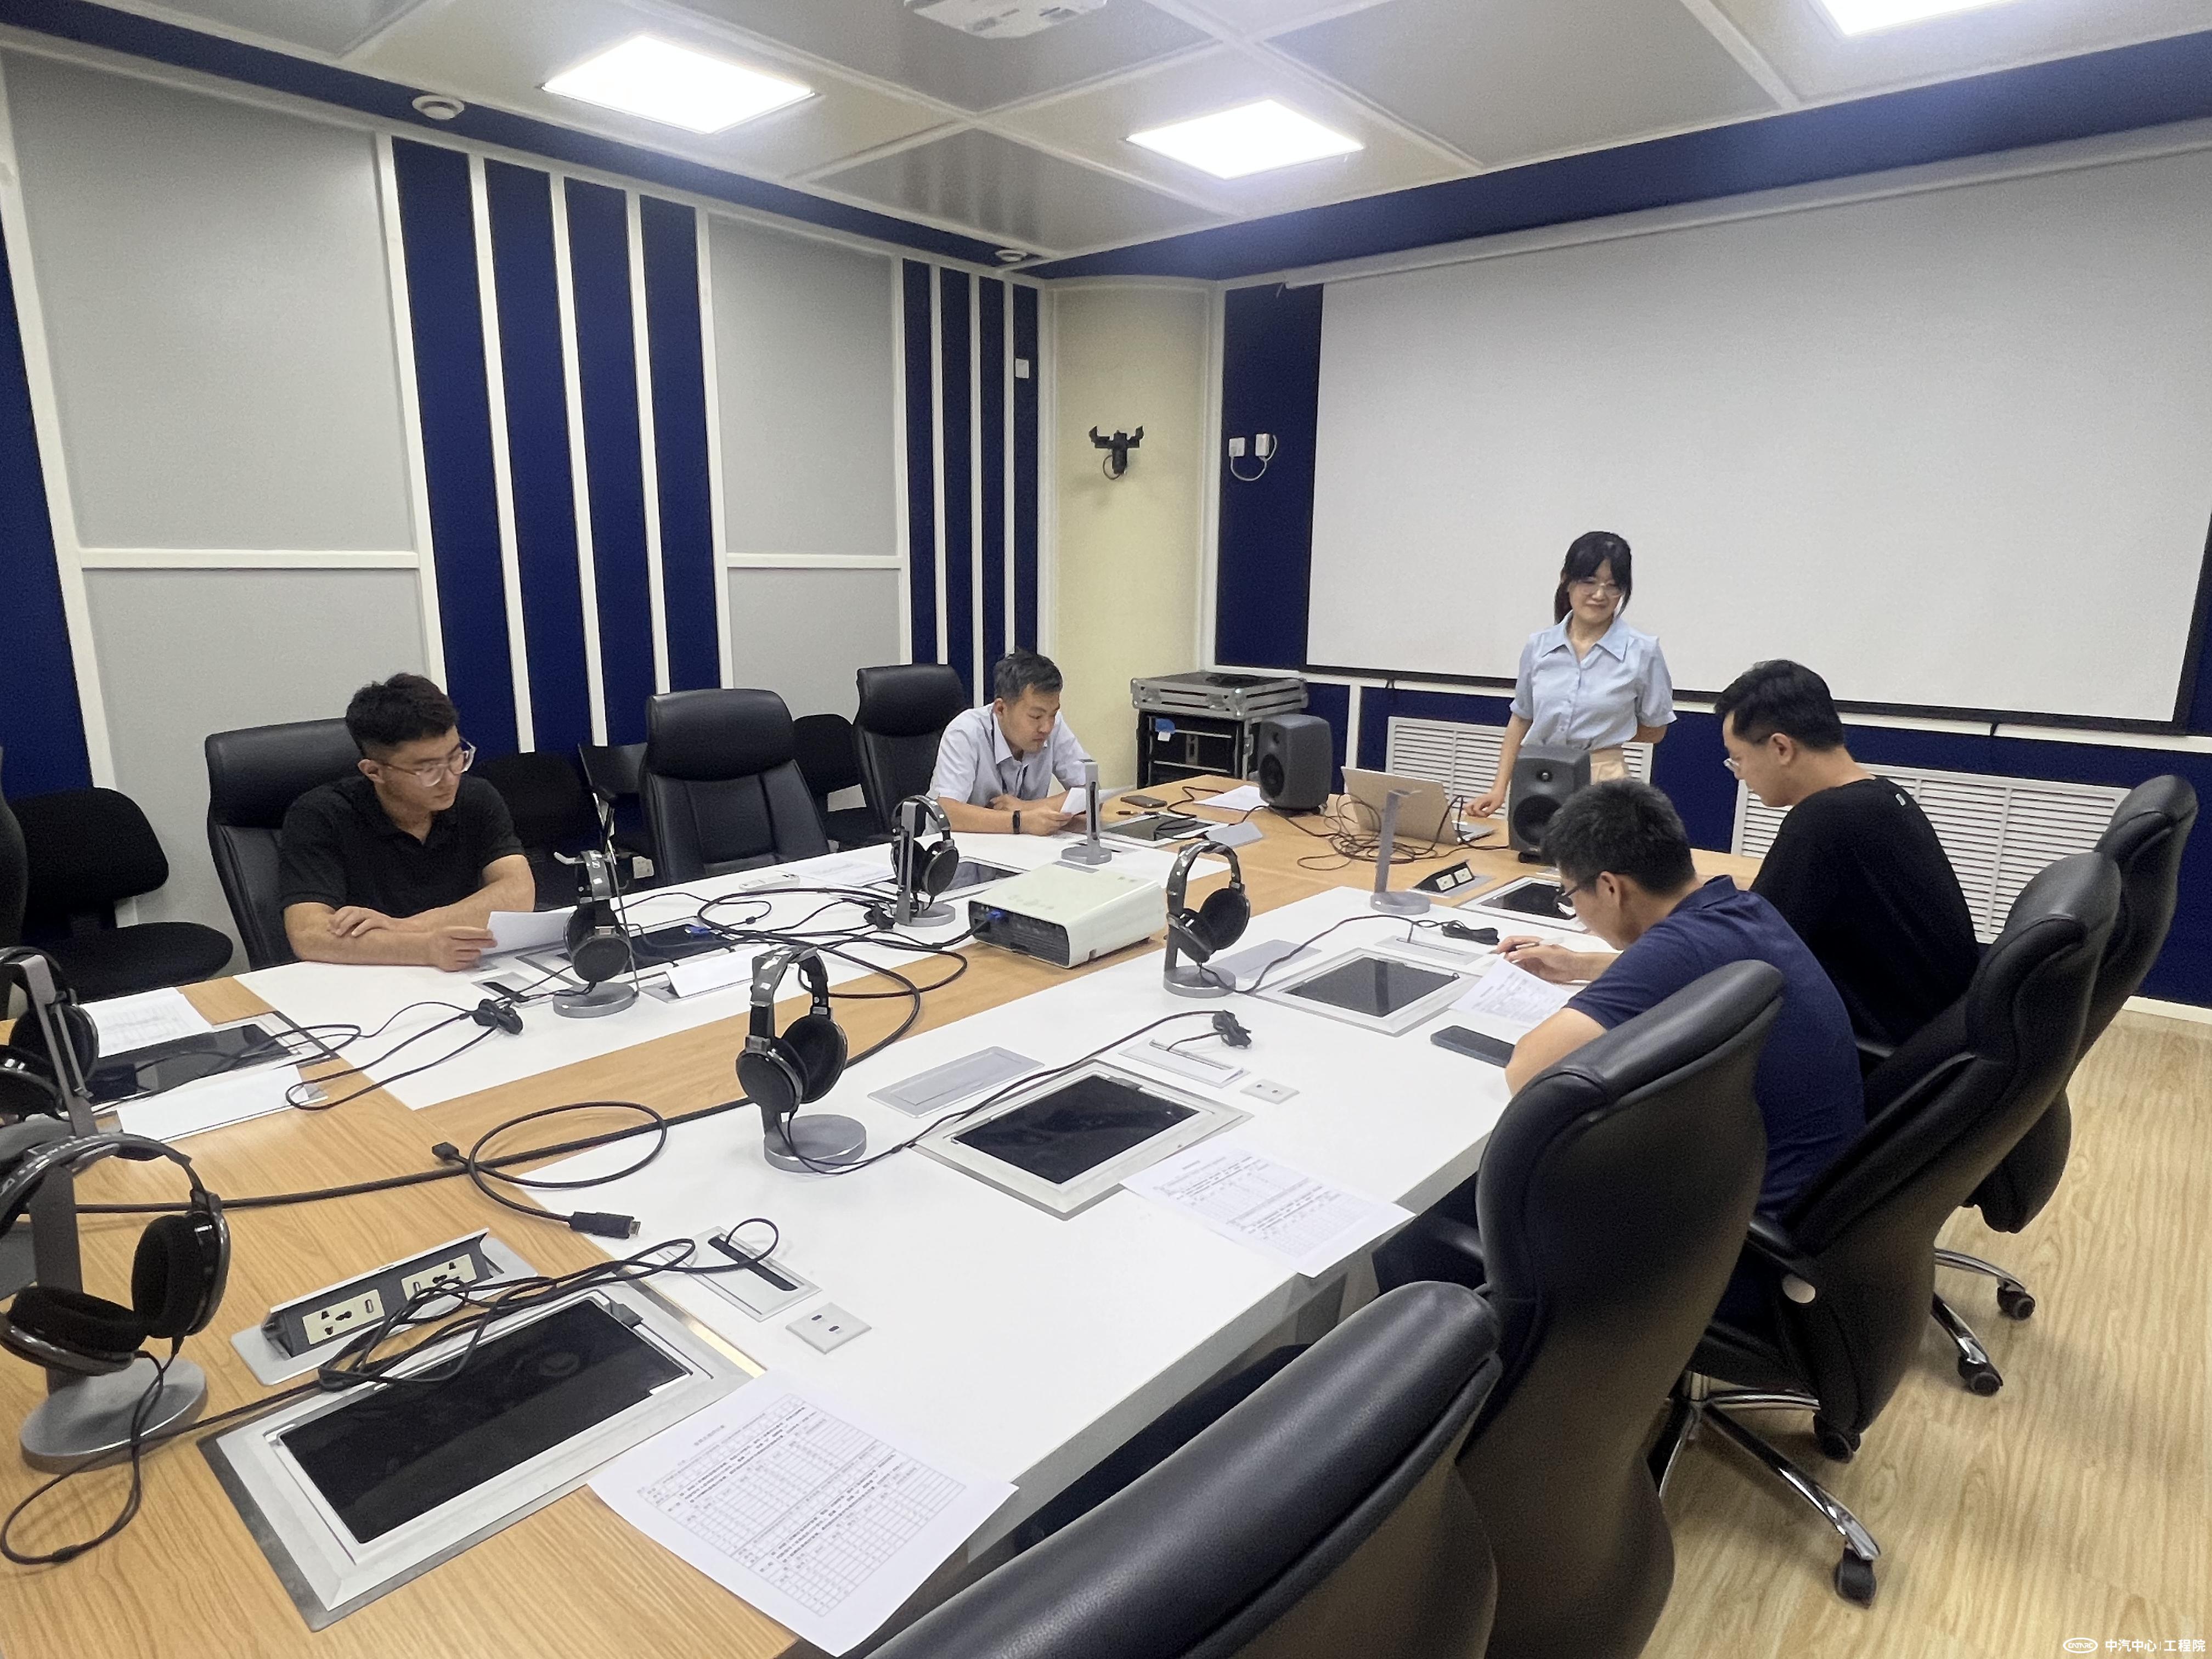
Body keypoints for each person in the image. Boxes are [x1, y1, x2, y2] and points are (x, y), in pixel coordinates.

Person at [1497, 780, 1863, 1214]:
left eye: (1570, 894)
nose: (1575, 910)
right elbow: (1691, 970)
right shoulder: (1741, 909)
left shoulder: (1676, 948)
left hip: (1745, 1217)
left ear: (1611, 888)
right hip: (1820, 1190)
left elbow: (1529, 1073)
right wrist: (1580, 965)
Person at [1714, 659, 1979, 1051]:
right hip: (1939, 1041)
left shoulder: (1822, 822)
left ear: (1781, 748)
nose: (1739, 774)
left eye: (1738, 759)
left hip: (1878, 1053)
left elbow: (1745, 951)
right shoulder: (1886, 798)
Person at [279, 674, 535, 971]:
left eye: (456, 757)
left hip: (460, 970)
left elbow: (518, 892)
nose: (450, 778)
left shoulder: (476, 797)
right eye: (428, 769)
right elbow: (308, 935)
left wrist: (401, 928)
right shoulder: (320, 815)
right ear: (374, 771)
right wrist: (423, 948)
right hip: (365, 979)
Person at [1470, 531, 1674, 818]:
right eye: (1589, 582)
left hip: (1603, 779)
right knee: (1531, 845)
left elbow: (1656, 730)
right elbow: (1521, 719)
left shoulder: (1643, 651)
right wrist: (1498, 789)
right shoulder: (1539, 646)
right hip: (1538, 775)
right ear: (1566, 580)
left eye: (1613, 586)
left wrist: (1607, 732)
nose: (1600, 595)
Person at [930, 650, 1091, 836]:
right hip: (957, 850)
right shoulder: (965, 732)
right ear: (1001, 709)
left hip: (1020, 848)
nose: (1046, 727)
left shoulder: (1054, 726)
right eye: (1036, 716)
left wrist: (1026, 808)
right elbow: (946, 812)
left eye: (1053, 714)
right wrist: (1019, 821)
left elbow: (1090, 790)